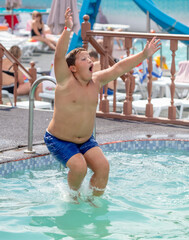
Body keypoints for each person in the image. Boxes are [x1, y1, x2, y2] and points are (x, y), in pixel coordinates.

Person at [44, 7, 161, 198]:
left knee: (103, 167)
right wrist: (67, 29)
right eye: (84, 59)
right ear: (72, 68)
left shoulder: (96, 81)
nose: (90, 60)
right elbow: (59, 56)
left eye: (90, 57)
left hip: (85, 140)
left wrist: (144, 55)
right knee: (79, 166)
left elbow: (118, 68)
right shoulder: (66, 82)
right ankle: (72, 199)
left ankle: (93, 202)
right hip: (59, 139)